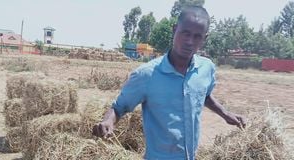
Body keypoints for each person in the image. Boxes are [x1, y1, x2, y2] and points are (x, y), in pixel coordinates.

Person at [93, 5, 246, 160]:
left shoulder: (206, 69)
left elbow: (204, 95)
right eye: (185, 33)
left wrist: (226, 114)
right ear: (174, 30)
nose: (189, 41)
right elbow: (119, 107)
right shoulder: (146, 74)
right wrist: (108, 121)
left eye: (197, 36)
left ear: (204, 39)